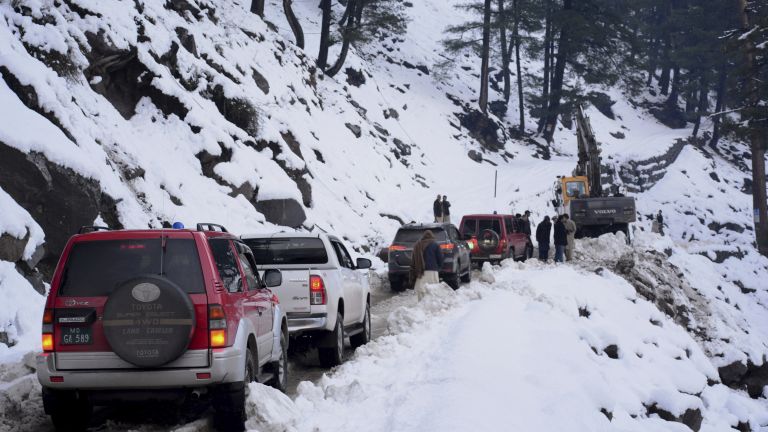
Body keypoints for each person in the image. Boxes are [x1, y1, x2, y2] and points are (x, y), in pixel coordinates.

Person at [409, 231, 444, 300]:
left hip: (421, 272)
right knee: (433, 290)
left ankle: (422, 306)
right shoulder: (435, 245)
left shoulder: (417, 245)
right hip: (433, 272)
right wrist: (439, 268)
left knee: (421, 290)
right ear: (432, 237)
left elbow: (413, 260)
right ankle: (432, 305)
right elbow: (440, 258)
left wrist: (413, 271)